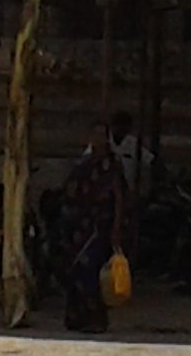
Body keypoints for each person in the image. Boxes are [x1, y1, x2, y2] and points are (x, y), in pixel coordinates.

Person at [56, 118, 133, 333]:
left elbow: (118, 198)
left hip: (101, 227)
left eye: (103, 135)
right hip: (79, 226)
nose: (99, 140)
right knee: (74, 269)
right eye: (95, 135)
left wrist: (116, 228)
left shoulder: (112, 165)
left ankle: (96, 319)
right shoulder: (84, 163)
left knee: (92, 271)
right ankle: (76, 316)